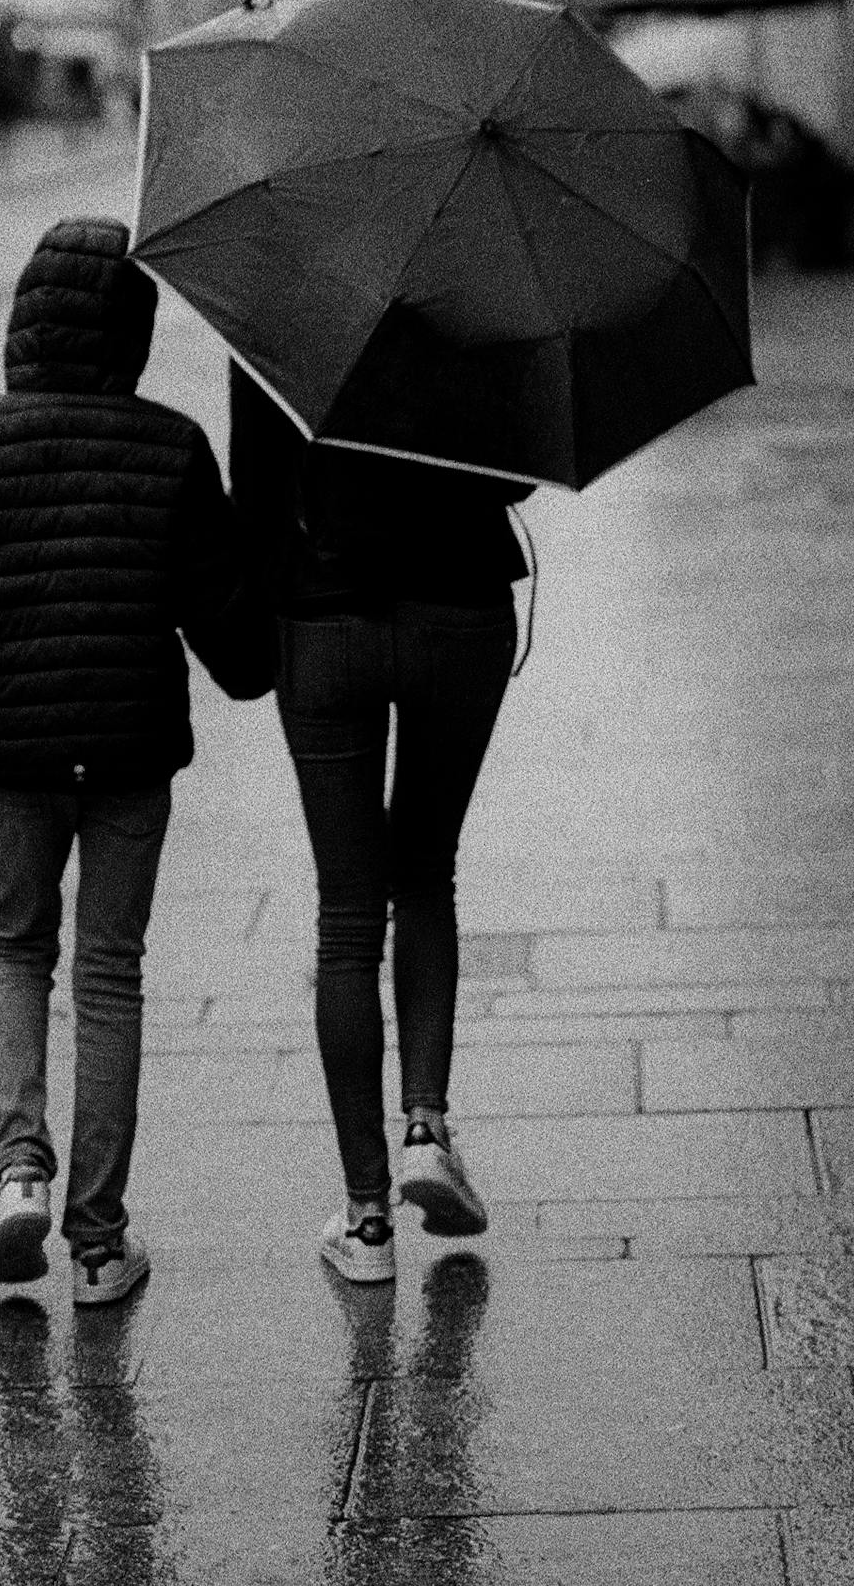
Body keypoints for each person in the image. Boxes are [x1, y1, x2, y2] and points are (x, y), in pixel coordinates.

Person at [0, 218, 274, 1308]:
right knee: (110, 973)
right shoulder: (172, 445)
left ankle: (19, 1170)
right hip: (127, 753)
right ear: (137, 330)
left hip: (13, 756)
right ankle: (100, 1242)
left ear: (25, 319)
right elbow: (242, 656)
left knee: (20, 949)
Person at [229, 363, 530, 1285]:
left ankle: (366, 1220)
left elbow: (257, 487)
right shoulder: (481, 285)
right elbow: (519, 472)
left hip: (326, 614)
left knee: (348, 917)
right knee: (425, 869)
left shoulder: (274, 296)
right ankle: (426, 1126)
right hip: (461, 605)